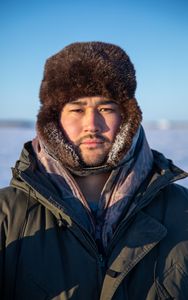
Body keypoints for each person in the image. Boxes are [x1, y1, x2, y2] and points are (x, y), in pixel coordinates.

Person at [0, 41, 188, 300]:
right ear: (54, 120)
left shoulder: (182, 209)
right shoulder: (8, 214)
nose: (92, 124)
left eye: (106, 108)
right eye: (77, 109)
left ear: (127, 117)